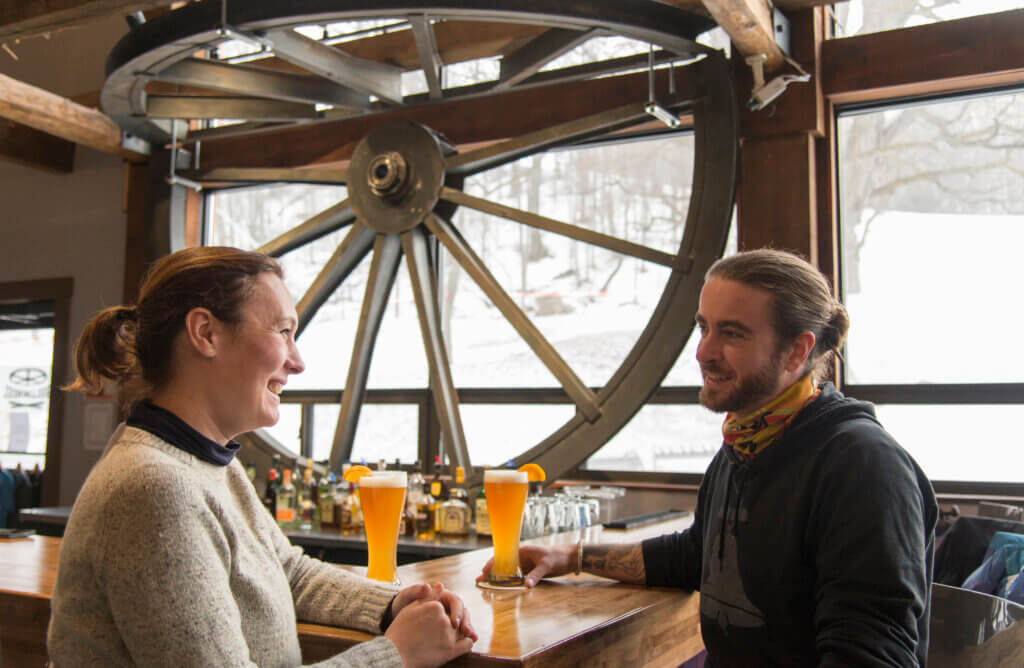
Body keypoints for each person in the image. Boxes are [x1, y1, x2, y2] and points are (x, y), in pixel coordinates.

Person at [480, 248, 938, 667]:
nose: (703, 352)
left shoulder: (862, 467)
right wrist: (571, 557)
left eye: (732, 333)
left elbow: (872, 656)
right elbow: (698, 555)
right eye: (703, 327)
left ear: (798, 350)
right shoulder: (745, 444)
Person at [49, 246, 476, 667]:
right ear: (206, 334)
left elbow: (289, 571)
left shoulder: (207, 463)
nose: (298, 362)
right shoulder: (154, 487)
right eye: (283, 331)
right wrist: (397, 654)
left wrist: (395, 602)